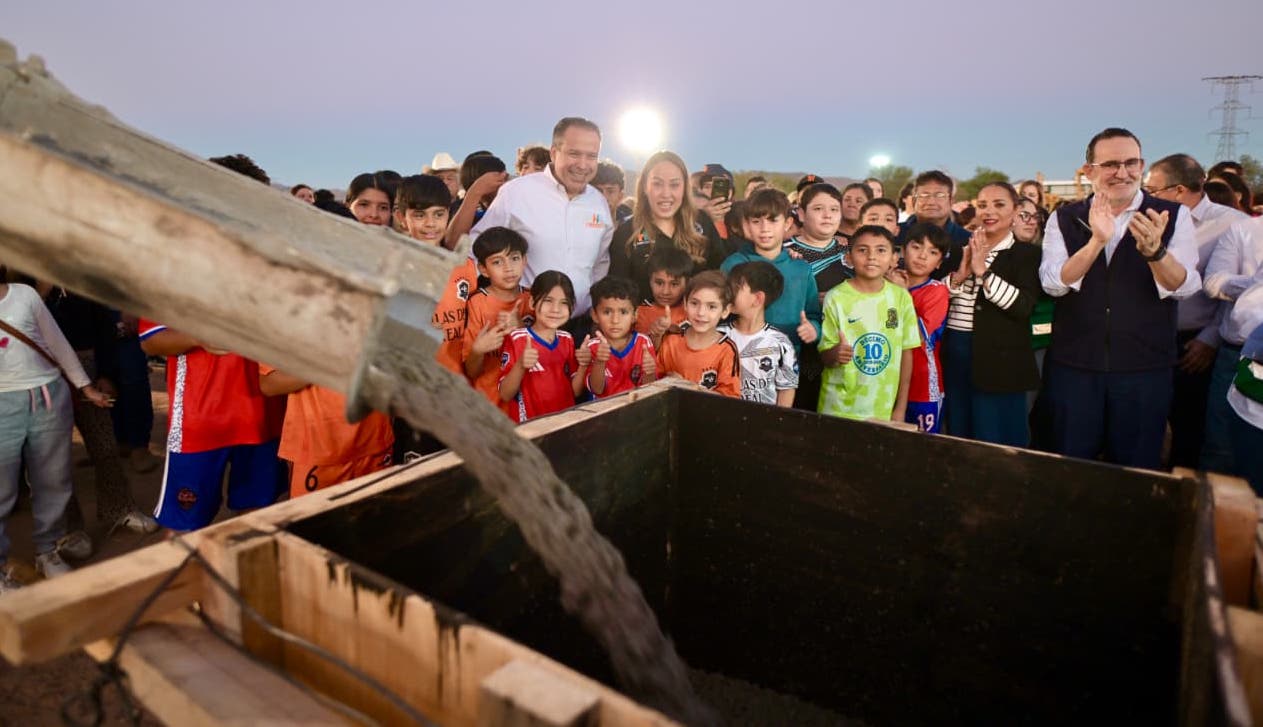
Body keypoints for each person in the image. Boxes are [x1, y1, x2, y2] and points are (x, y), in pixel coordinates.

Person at [1038, 128, 1201, 469]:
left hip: (1145, 369)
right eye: (1111, 164)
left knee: (1137, 468)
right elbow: (1054, 284)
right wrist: (1095, 242)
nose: (1122, 173)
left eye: (1131, 163)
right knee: (1071, 465)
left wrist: (1155, 253)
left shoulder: (1172, 215)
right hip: (1075, 367)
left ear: (1141, 165)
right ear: (1089, 171)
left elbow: (1185, 286)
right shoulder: (1064, 218)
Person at [0, 271, 113, 588]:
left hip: (49, 397)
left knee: (53, 480)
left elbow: (57, 344)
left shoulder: (24, 295)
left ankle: (48, 551)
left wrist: (85, 386)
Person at [1145, 153, 1251, 471]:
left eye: (1152, 189)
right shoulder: (1145, 218)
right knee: (1142, 427)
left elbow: (1236, 294)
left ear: (1178, 190)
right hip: (1146, 339)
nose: (1147, 196)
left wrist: (1210, 338)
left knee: (1190, 431)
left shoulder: (1233, 225)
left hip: (1194, 345)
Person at [471, 117, 614, 328]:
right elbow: (475, 250)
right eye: (574, 154)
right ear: (554, 152)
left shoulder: (599, 203)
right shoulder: (516, 192)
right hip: (524, 325)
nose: (583, 165)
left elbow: (599, 264)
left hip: (579, 328)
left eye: (591, 156)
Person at [942, 183, 1041, 446]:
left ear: (1016, 211)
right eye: (983, 205)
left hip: (1001, 361)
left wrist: (983, 272)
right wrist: (958, 277)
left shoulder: (1026, 254)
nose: (989, 211)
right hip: (956, 352)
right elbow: (935, 298)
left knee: (996, 438)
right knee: (959, 432)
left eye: (999, 205)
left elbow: (1023, 306)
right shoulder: (959, 248)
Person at [817, 226, 919, 421]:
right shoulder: (836, 297)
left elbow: (907, 353)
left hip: (882, 410)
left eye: (881, 250)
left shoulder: (901, 298)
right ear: (849, 257)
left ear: (894, 258)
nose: (871, 257)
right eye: (863, 250)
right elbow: (825, 356)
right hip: (838, 408)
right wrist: (835, 353)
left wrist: (900, 408)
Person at [257, 361, 394, 498]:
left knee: (376, 510)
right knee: (316, 512)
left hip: (374, 441)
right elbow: (269, 383)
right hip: (317, 451)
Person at [609, 151, 726, 302]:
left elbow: (721, 280)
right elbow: (617, 296)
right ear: (644, 186)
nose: (666, 194)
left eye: (674, 185)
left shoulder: (702, 223)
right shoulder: (626, 232)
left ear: (685, 188)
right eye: (657, 184)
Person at [720, 188, 823, 357]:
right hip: (740, 357)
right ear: (747, 225)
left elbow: (814, 314)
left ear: (787, 224)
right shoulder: (732, 265)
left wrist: (814, 329)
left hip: (788, 359)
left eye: (773, 220)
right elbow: (720, 311)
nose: (764, 228)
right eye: (756, 221)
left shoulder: (801, 269)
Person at [782, 183, 847, 411]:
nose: (827, 215)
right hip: (792, 350)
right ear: (801, 214)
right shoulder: (782, 252)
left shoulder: (852, 254)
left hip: (838, 354)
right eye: (818, 209)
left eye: (834, 209)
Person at [499, 271, 585, 422]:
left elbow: (575, 392)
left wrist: (584, 365)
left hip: (563, 425)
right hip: (531, 428)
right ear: (532, 302)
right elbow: (505, 394)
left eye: (564, 303)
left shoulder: (567, 340)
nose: (555, 309)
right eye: (548, 300)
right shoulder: (518, 339)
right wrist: (521, 365)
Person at [888, 224, 949, 433]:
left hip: (922, 385)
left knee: (922, 445)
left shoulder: (936, 291)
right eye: (916, 247)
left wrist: (902, 294)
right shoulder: (885, 282)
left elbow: (918, 335)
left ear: (939, 263)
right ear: (903, 250)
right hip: (885, 379)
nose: (922, 256)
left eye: (933, 252)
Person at [464, 228, 533, 413]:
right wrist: (478, 350)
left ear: (524, 261)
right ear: (483, 269)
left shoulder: (533, 299)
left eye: (514, 258)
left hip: (529, 404)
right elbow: (472, 371)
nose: (508, 268)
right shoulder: (477, 303)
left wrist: (520, 329)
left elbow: (546, 357)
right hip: (489, 405)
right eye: (497, 262)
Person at [720, 262, 799, 407]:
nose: (728, 293)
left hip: (764, 419)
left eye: (735, 288)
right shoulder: (719, 335)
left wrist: (778, 418)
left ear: (758, 299)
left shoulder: (780, 343)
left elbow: (786, 389)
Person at [657, 271, 740, 397]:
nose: (701, 313)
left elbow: (730, 400)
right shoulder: (671, 340)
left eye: (711, 307)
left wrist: (686, 386)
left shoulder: (727, 350)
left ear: (725, 311)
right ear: (685, 303)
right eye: (694, 303)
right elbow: (654, 384)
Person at [582, 276, 657, 398]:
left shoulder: (643, 342)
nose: (615, 320)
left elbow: (648, 389)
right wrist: (600, 362)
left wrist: (650, 372)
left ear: (634, 315)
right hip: (604, 409)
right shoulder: (592, 347)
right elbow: (597, 389)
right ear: (595, 315)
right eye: (607, 312)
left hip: (636, 407)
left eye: (623, 312)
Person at [898, 170, 973, 277]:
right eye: (924, 195)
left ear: (951, 201)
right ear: (914, 201)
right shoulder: (895, 234)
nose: (931, 202)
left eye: (940, 195)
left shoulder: (967, 241)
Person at [635, 247, 692, 349]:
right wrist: (655, 335)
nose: (665, 292)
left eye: (674, 284)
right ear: (650, 281)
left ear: (687, 283)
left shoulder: (694, 310)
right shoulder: (638, 313)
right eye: (659, 283)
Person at [593, 161, 633, 225]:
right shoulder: (577, 224)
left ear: (620, 196)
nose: (604, 197)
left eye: (610, 191)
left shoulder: (633, 228)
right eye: (598, 191)